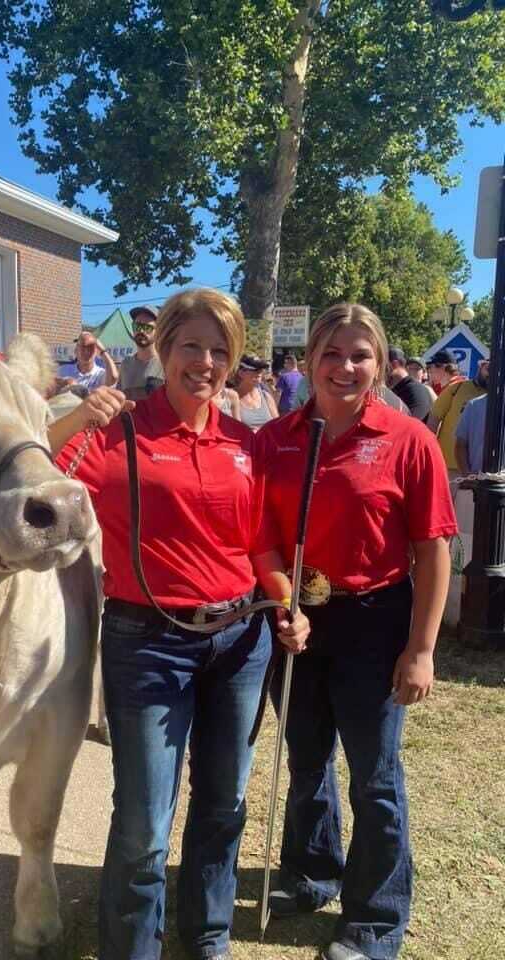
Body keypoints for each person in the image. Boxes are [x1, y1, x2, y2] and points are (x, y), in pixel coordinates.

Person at [48, 287, 308, 960]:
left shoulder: (244, 442)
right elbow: (32, 475)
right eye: (191, 344)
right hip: (148, 643)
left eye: (220, 349)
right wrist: (76, 418)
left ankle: (206, 938)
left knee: (222, 809)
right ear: (162, 349)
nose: (206, 361)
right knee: (143, 827)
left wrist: (286, 601)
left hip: (241, 642)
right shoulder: (118, 428)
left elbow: (260, 546)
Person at [255, 303, 456, 960]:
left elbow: (433, 551)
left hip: (375, 619)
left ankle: (375, 916)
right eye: (332, 354)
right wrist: (284, 605)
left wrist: (421, 650)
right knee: (307, 759)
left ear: (379, 362)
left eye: (360, 355)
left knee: (374, 773)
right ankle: (313, 874)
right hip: (298, 619)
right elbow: (261, 538)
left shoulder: (408, 438)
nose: (345, 368)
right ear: (310, 359)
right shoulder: (276, 437)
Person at [427, 357, 488, 477]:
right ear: (480, 366)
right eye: (488, 369)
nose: (490, 374)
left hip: (480, 470)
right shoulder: (457, 388)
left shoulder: (498, 397)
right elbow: (433, 422)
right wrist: (430, 455)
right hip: (448, 465)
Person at [118, 305, 165, 400]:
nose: (141, 331)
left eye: (147, 327)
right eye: (137, 326)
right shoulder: (126, 363)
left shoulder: (166, 364)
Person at [387, 347, 432, 421]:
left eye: (381, 365)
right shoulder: (396, 389)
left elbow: (411, 424)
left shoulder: (416, 391)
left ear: (394, 365)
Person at [235, 355, 279, 430]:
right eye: (255, 369)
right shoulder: (231, 397)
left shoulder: (266, 396)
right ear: (241, 373)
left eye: (261, 370)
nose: (259, 373)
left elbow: (277, 426)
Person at [455, 392, 489, 476]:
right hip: (477, 480)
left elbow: (460, 445)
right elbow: (460, 445)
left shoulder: (474, 405)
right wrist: (466, 474)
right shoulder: (474, 405)